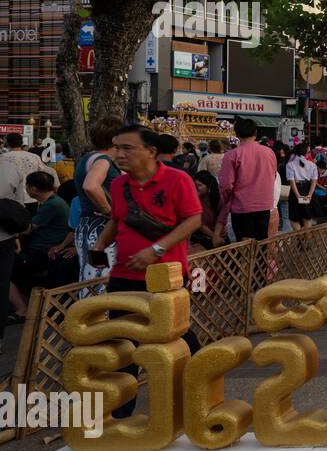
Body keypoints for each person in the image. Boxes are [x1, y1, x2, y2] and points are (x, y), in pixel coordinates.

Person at [90, 124, 203, 417]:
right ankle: (121, 415)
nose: (119, 155)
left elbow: (193, 220)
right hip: (124, 277)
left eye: (127, 148)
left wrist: (156, 250)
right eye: (117, 148)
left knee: (177, 337)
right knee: (124, 344)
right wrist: (101, 244)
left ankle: (201, 394)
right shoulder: (118, 185)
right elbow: (118, 219)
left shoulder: (177, 180)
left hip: (166, 277)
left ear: (151, 151)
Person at [7, 171, 70, 324]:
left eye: (27, 187)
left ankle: (22, 310)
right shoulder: (53, 201)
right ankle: (27, 306)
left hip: (43, 252)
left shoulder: (51, 205)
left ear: (33, 189)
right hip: (43, 250)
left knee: (4, 270)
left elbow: (28, 228)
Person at [74, 118, 123, 287]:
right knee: (99, 281)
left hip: (89, 227)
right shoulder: (103, 160)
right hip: (100, 230)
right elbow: (90, 186)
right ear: (115, 140)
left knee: (91, 278)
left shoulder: (89, 158)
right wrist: (110, 211)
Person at [216, 117, 278, 241]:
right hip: (264, 206)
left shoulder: (232, 155)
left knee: (244, 247)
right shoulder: (269, 152)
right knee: (261, 244)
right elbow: (274, 176)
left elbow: (226, 185)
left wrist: (225, 202)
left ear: (236, 134)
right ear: (255, 133)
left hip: (241, 207)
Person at [0, 132, 58, 207]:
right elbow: (47, 172)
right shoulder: (34, 157)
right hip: (32, 197)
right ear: (21, 143)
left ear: (7, 143)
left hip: (11, 200)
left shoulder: (2, 158)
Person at [285, 143, 318, 229]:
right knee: (307, 216)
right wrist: (310, 195)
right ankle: (305, 239)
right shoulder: (312, 165)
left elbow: (292, 182)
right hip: (307, 189)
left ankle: (300, 239)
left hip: (296, 190)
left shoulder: (290, 165)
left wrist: (298, 196)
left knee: (294, 217)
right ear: (306, 153)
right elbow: (314, 181)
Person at [191, 170, 222, 249]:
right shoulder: (195, 200)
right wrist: (214, 236)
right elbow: (200, 224)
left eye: (199, 185)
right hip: (200, 236)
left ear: (209, 187)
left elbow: (222, 219)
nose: (196, 188)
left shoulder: (218, 200)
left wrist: (217, 234)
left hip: (216, 233)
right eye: (194, 185)